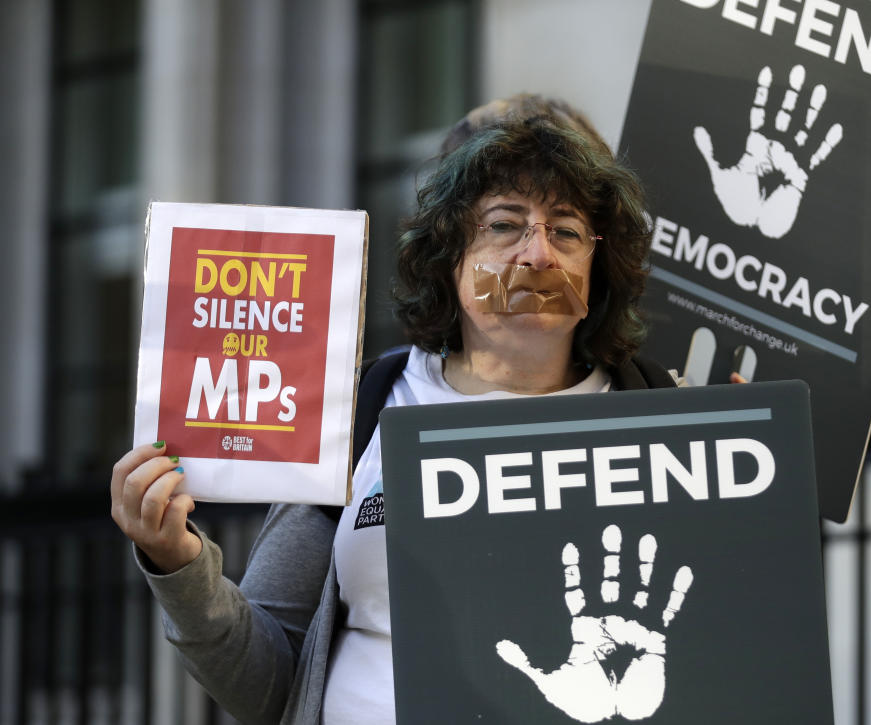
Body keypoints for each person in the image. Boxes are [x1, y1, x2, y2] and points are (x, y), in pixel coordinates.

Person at [110, 101, 678, 724]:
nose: (538, 254)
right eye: (504, 225)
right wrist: (179, 563)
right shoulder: (361, 412)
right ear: (450, 256)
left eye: (566, 231)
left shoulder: (666, 419)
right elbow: (265, 685)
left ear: (596, 269)